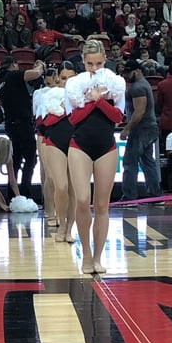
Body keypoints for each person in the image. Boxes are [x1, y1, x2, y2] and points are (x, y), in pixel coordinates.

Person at [65, 40, 126, 273]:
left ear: (105, 60)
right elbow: (73, 119)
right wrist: (92, 100)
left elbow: (117, 117)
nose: (94, 68)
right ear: (82, 61)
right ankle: (86, 255)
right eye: (90, 63)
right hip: (79, 144)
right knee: (82, 199)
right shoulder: (74, 84)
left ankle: (98, 257)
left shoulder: (115, 83)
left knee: (102, 205)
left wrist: (98, 100)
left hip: (106, 146)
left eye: (99, 63)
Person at [37, 65, 77, 242]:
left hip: (76, 142)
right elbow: (45, 122)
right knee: (60, 185)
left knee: (74, 188)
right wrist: (63, 108)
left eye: (70, 78)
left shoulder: (82, 97)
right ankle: (61, 224)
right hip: (54, 141)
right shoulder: (48, 97)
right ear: (57, 79)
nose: (66, 81)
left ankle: (69, 228)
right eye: (63, 78)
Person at [0, 57, 45, 197]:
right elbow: (35, 74)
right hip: (22, 124)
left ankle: (12, 195)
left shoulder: (2, 83)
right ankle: (25, 193)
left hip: (11, 124)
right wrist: (40, 66)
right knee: (30, 160)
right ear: (14, 64)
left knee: (16, 161)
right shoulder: (13, 76)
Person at [120, 59, 161, 202]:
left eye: (127, 73)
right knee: (147, 162)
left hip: (141, 129)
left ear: (137, 71)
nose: (125, 76)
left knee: (129, 162)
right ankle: (155, 196)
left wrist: (126, 129)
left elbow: (139, 111)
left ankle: (129, 197)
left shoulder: (137, 87)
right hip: (149, 128)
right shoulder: (143, 84)